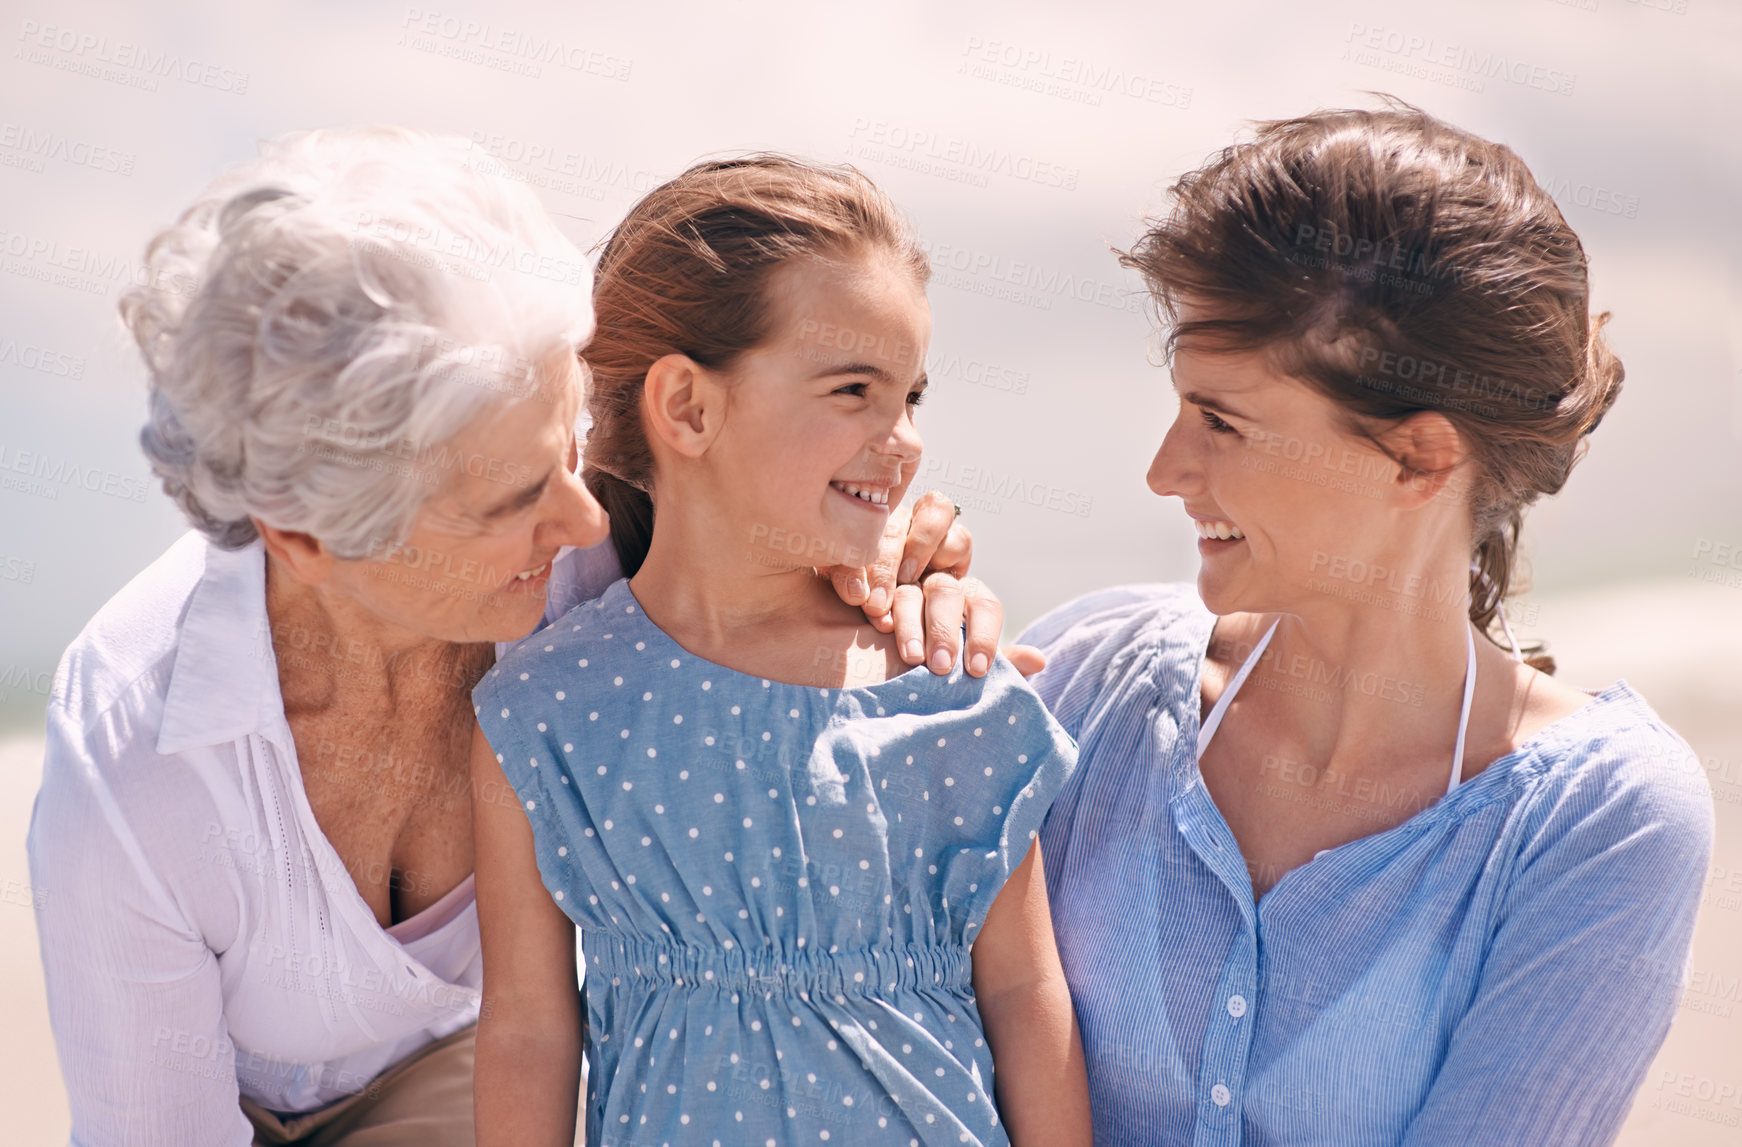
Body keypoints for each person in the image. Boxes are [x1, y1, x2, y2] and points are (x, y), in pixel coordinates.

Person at [28, 127, 999, 1147]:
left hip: (466, 1070)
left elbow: (784, 503)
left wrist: (905, 568)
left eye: (565, 450)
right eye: (513, 498)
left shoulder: (612, 534)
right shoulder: (137, 738)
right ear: (304, 536)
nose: (581, 522)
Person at [1020, 101, 1714, 1145]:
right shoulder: (1079, 680)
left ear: (1420, 458)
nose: (1164, 471)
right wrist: (862, 614)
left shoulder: (1599, 819)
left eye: (1222, 421)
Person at [468, 156, 1092, 1147]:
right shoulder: (544, 711)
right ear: (685, 409)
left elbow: (1023, 993)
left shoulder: (950, 693)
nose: (904, 439)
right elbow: (526, 1032)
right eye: (854, 388)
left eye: (911, 394)